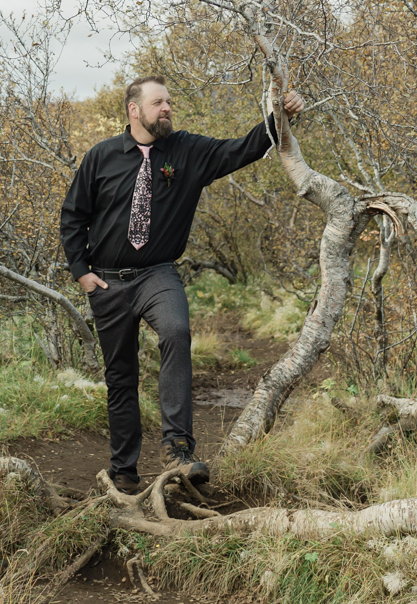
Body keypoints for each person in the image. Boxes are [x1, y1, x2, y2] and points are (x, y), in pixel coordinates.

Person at [60, 76, 303, 493]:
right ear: (134, 110)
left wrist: (278, 117)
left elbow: (243, 148)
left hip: (158, 273)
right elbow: (73, 216)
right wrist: (82, 272)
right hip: (108, 283)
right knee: (121, 376)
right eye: (158, 103)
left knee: (175, 331)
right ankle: (124, 470)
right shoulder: (101, 157)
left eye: (169, 102)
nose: (167, 108)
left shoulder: (187, 151)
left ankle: (178, 449)